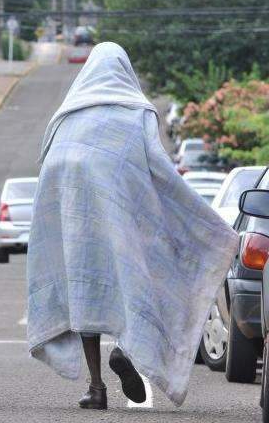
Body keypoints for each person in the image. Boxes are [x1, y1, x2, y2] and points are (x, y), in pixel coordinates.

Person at [27, 42, 239, 409]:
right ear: (125, 71)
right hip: (122, 222)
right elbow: (159, 170)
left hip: (76, 230)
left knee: (84, 299)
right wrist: (197, 222)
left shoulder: (65, 118)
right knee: (132, 283)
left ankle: (96, 388)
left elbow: (47, 175)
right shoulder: (137, 113)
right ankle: (125, 350)